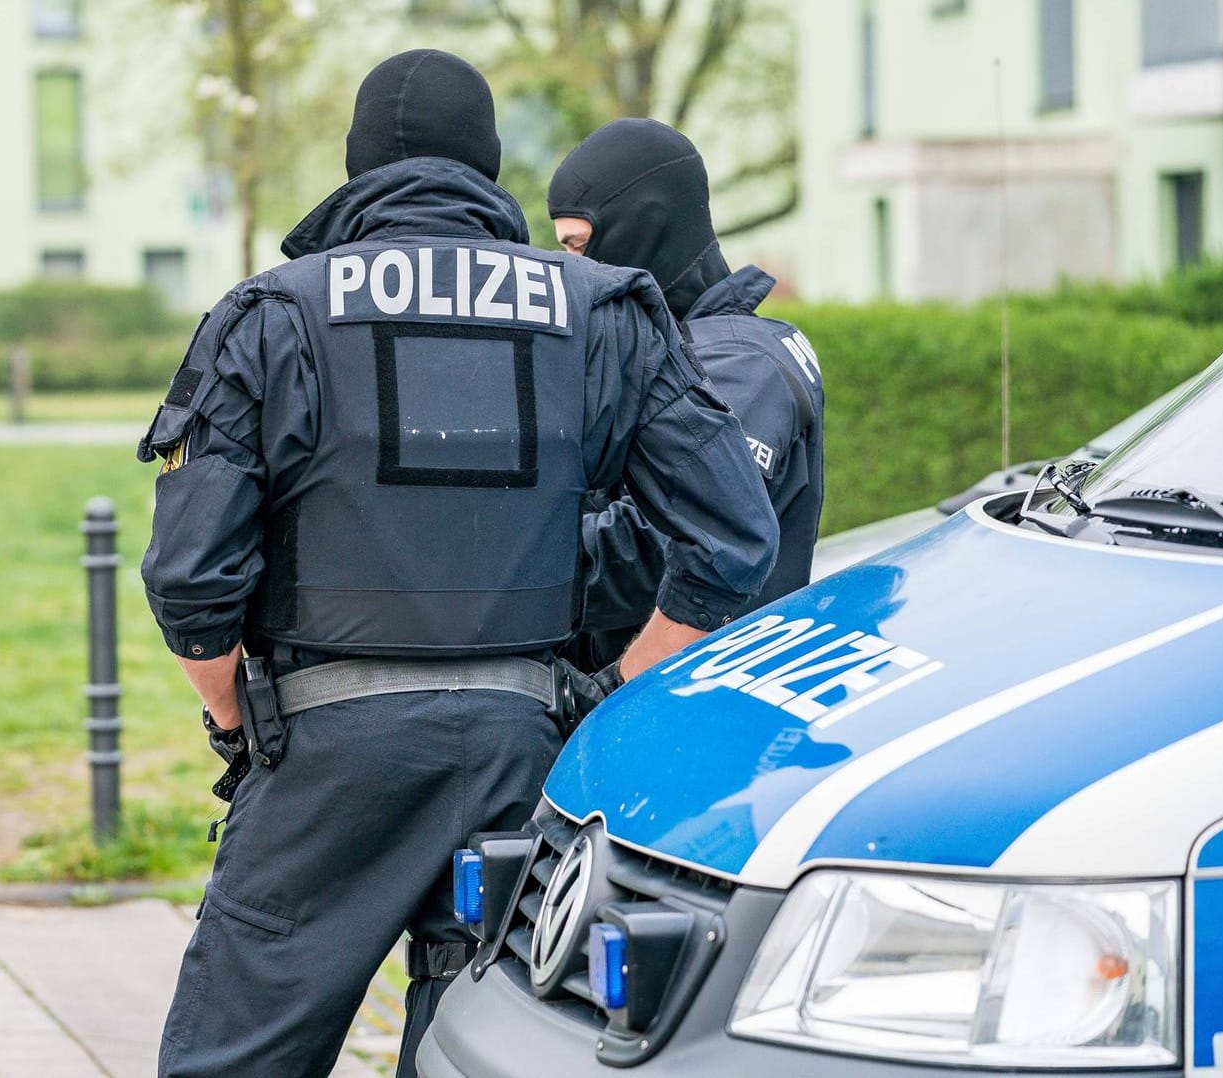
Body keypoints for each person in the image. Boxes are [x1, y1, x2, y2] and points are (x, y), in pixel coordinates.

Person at [138, 51, 779, 1078]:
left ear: (354, 170)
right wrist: (607, 687)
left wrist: (231, 718)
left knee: (236, 1054)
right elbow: (731, 536)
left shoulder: (274, 312)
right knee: (478, 1053)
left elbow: (188, 578)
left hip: (324, 753)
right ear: (487, 165)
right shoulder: (601, 308)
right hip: (523, 754)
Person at [547, 118, 826, 670]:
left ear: (646, 229)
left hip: (693, 709)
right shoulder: (665, 350)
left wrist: (487, 569)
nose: (573, 272)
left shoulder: (742, 364)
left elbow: (657, 546)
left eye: (580, 246)